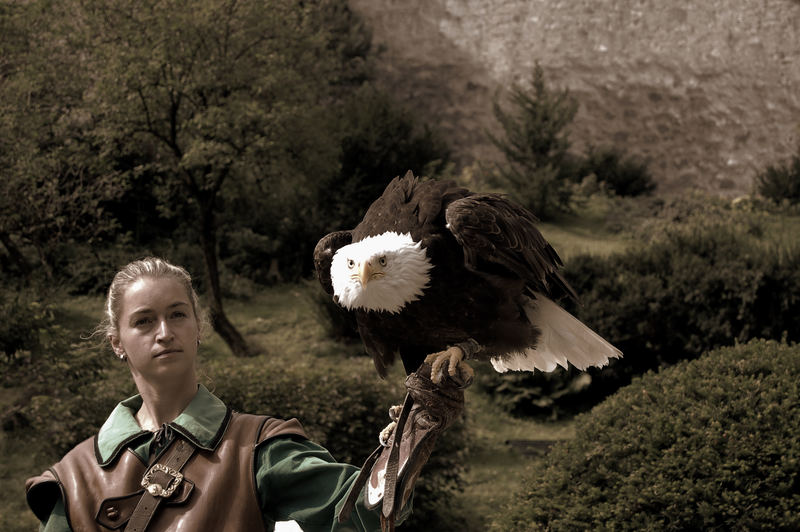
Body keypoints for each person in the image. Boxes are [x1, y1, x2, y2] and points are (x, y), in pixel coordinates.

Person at [25, 257, 415, 531]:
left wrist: (411, 436)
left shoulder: (258, 449)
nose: (164, 332)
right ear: (117, 343)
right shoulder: (75, 476)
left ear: (198, 328)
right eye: (144, 321)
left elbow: (365, 512)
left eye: (177, 314)